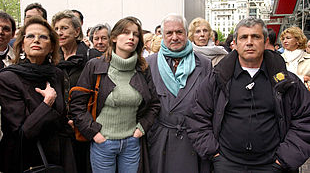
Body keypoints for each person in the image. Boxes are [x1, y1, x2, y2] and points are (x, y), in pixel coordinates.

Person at [186, 17, 310, 173]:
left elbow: (305, 120)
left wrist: (283, 159)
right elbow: (196, 116)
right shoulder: (217, 78)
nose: (249, 42)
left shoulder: (287, 81)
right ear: (235, 44)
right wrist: (214, 154)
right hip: (227, 164)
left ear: (265, 42)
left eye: (256, 37)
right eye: (244, 37)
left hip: (272, 165)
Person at [70, 16, 160, 173]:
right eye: (125, 32)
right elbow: (77, 105)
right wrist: (94, 133)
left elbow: (154, 104)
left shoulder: (142, 69)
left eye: (136, 34)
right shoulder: (95, 66)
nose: (131, 37)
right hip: (103, 142)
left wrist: (140, 129)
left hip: (132, 143)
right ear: (114, 38)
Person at [0, 16, 77, 173]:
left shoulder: (56, 74)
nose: (36, 40)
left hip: (58, 155)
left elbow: (60, 116)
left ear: (51, 47)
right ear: (22, 45)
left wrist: (68, 124)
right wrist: (47, 103)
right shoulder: (8, 78)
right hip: (26, 160)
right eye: (30, 36)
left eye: (43, 37)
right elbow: (22, 132)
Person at [146, 14, 213, 173]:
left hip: (193, 138)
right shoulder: (149, 64)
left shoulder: (204, 63)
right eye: (169, 33)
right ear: (162, 36)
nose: (174, 37)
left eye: (179, 32)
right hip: (160, 138)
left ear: (186, 34)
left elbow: (210, 104)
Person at [52, 10, 101, 173]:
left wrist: (85, 122)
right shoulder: (50, 58)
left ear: (77, 31)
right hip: (58, 130)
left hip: (86, 129)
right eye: (56, 28)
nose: (59, 32)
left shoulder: (93, 57)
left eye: (64, 28)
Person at [0, 11, 16, 143]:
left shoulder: (18, 61)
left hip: (11, 127)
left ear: (13, 34)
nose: (1, 32)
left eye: (6, 29)